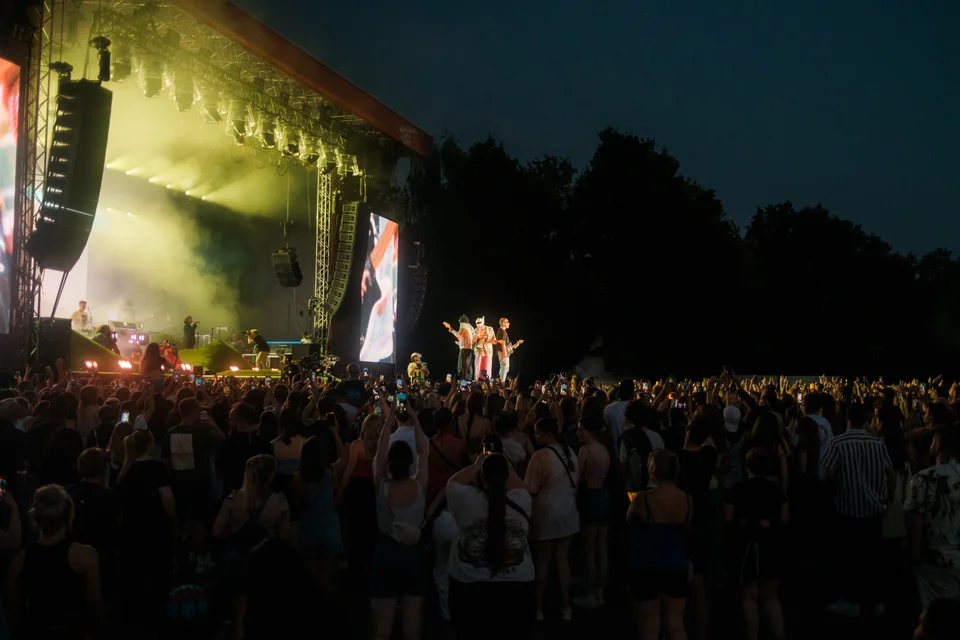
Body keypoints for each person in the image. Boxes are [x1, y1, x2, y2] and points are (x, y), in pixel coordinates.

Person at [446, 453, 535, 640]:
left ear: (482, 477)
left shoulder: (464, 498)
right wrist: (505, 464)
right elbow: (516, 483)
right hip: (517, 585)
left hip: (470, 585)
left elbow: (452, 482)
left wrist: (478, 463)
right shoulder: (522, 499)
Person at [6, 485, 103, 639]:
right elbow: (95, 605)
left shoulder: (19, 560)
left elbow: (14, 612)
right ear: (68, 515)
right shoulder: (85, 556)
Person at [627, 449, 691, 640]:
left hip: (647, 565)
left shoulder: (642, 499)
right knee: (676, 622)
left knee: (649, 625)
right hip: (677, 564)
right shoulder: (687, 499)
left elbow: (629, 524)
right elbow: (686, 531)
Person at [525, 417, 579, 622]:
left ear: (548, 434)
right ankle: (566, 606)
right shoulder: (571, 453)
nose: (535, 436)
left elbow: (530, 487)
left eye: (538, 433)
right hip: (569, 512)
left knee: (543, 561)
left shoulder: (540, 456)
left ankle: (538, 608)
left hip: (546, 513)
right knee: (563, 560)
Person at [905, 424, 960, 608]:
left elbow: (916, 525)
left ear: (938, 444)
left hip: (936, 563)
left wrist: (914, 558)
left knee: (935, 615)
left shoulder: (924, 479)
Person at [443, 315, 475, 381]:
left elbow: (459, 335)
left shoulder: (463, 325)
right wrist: (459, 343)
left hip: (464, 349)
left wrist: (451, 329)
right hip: (470, 349)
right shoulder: (471, 327)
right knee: (468, 366)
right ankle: (468, 381)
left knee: (462, 366)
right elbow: (468, 338)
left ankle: (462, 381)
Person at [495, 317, 522, 382]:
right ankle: (502, 383)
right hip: (503, 352)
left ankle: (501, 382)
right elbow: (502, 343)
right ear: (503, 323)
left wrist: (516, 344)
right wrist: (505, 353)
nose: (509, 324)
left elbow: (507, 346)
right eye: (507, 322)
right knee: (505, 368)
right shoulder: (502, 332)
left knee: (504, 368)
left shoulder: (502, 331)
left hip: (503, 352)